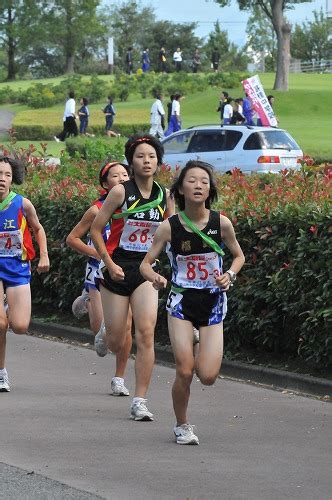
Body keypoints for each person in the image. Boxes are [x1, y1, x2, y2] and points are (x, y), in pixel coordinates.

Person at [140, 160, 245, 444]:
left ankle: (197, 338)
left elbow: (239, 256)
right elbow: (145, 264)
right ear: (181, 189)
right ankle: (182, 425)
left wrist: (230, 276)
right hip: (181, 303)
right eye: (192, 180)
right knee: (185, 370)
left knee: (208, 376)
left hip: (212, 302)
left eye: (204, 181)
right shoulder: (168, 227)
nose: (198, 185)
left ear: (210, 189)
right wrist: (156, 278)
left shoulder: (221, 223)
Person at [90, 134, 174, 421]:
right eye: (140, 156)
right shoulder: (119, 193)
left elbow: (171, 233)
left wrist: (164, 269)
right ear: (131, 161)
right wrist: (108, 263)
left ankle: (140, 400)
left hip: (145, 270)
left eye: (151, 156)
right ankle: (105, 331)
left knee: (146, 332)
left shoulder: (165, 196)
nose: (146, 161)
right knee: (116, 340)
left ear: (158, 161)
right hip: (118, 266)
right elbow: (95, 230)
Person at [66, 161, 132, 396]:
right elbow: (72, 238)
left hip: (126, 272)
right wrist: (98, 253)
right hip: (98, 271)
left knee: (126, 327)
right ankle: (88, 299)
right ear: (105, 184)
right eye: (116, 176)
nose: (122, 178)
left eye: (125, 174)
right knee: (100, 333)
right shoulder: (96, 210)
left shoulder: (136, 208)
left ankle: (119, 378)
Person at [0, 156, 50, 392]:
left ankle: (7, 305)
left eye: (7, 175)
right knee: (0, 324)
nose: (2, 179)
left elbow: (38, 229)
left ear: (13, 179)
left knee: (19, 326)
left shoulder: (22, 204)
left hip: (17, 268)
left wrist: (44, 255)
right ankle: (1, 373)